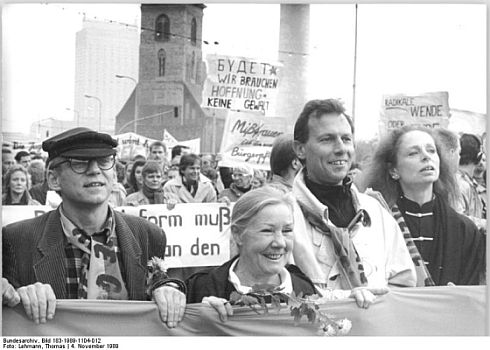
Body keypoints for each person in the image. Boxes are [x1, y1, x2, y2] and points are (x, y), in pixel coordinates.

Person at [2, 127, 186, 327]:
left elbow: (162, 288)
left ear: (114, 175)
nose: (95, 170)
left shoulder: (149, 234)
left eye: (104, 161)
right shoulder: (16, 239)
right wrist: (15, 296)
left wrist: (168, 290)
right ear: (54, 179)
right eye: (79, 163)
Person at [186, 186, 387, 322]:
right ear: (238, 234)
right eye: (267, 231)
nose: (280, 243)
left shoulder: (304, 288)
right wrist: (193, 317)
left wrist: (352, 302)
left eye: (287, 231)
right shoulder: (200, 288)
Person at [290, 99, 416, 293]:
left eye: (346, 139)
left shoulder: (375, 212)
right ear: (300, 149)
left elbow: (403, 283)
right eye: (327, 139)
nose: (341, 148)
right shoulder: (282, 215)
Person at [363, 125, 486, 286]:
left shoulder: (465, 230)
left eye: (431, 150)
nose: (426, 157)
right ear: (393, 170)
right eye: (414, 153)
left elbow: (472, 295)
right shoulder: (375, 225)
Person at [456, 133, 486, 231]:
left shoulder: (468, 182)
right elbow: (457, 219)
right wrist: (485, 224)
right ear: (479, 156)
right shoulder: (459, 183)